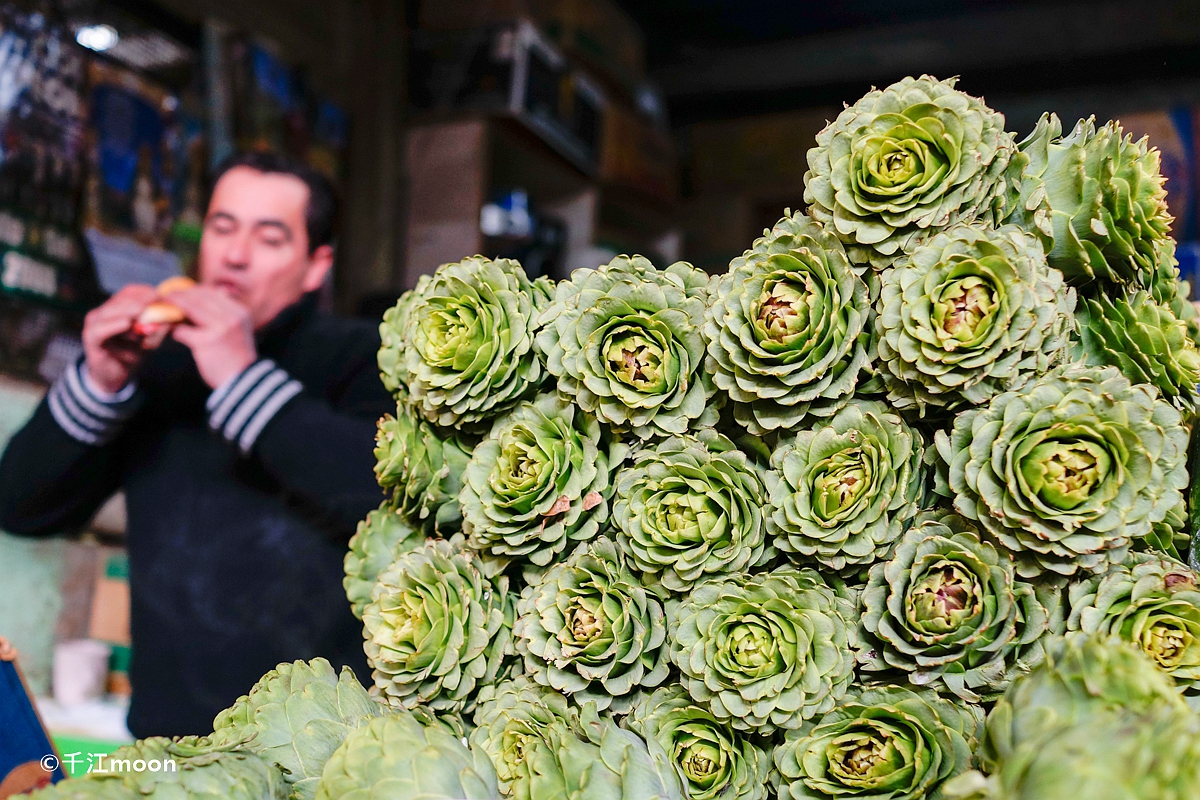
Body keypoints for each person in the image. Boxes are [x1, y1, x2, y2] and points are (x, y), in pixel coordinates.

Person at [0, 152, 391, 737]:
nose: (234, 254)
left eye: (270, 237)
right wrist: (100, 382)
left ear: (316, 266)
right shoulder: (161, 363)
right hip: (166, 740)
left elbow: (381, 492)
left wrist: (240, 379)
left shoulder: (368, 356)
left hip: (320, 750)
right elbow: (21, 506)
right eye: (222, 227)